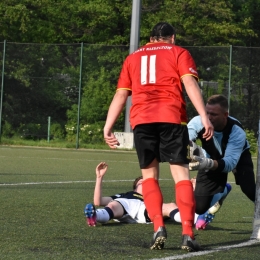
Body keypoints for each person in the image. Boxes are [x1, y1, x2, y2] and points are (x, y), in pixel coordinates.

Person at [103, 21, 214, 252]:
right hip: (171, 118)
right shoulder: (179, 52)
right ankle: (187, 233)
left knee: (149, 178)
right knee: (181, 176)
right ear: (172, 38)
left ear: (151, 39)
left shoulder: (132, 58)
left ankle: (158, 228)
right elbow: (190, 83)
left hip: (142, 121)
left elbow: (121, 95)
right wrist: (204, 115)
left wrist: (108, 126)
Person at [188, 94, 255, 229]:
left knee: (250, 190)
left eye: (213, 114)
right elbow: (184, 140)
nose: (208, 117)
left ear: (225, 115)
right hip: (210, 157)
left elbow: (229, 163)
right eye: (206, 113)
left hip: (238, 157)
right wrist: (190, 149)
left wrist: (206, 163)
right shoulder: (198, 121)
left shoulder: (237, 131)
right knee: (199, 208)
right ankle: (223, 190)